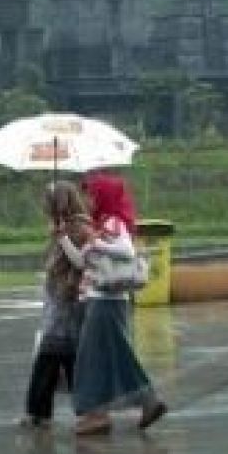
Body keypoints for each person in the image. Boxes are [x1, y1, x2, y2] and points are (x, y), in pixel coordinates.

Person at [60, 172, 168, 436]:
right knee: (109, 357)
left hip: (107, 301)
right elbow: (82, 262)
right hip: (103, 299)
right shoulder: (101, 225)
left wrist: (96, 243)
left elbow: (126, 250)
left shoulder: (112, 222)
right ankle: (138, 403)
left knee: (92, 358)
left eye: (90, 193)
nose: (86, 199)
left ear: (102, 196)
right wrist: (62, 238)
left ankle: (99, 413)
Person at [21, 182, 90, 428]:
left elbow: (80, 262)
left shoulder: (79, 228)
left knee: (53, 355)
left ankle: (42, 412)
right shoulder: (62, 229)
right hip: (58, 301)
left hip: (66, 302)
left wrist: (61, 238)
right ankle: (75, 411)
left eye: (49, 203)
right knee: (63, 357)